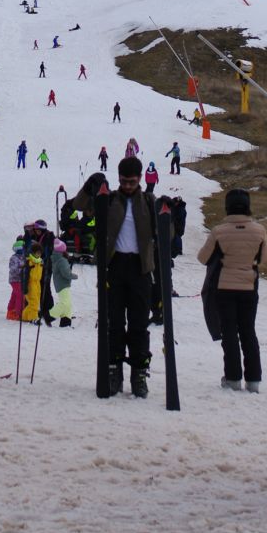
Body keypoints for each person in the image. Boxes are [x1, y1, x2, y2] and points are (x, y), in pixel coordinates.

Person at [197, 189, 267, 391]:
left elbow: (203, 258)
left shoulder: (219, 231)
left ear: (227, 207)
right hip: (249, 286)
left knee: (229, 332)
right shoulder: (259, 230)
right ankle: (253, 380)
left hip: (224, 287)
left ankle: (233, 378)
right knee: (248, 331)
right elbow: (263, 259)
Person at [102, 157, 157, 398]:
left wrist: (170, 213)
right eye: (123, 181)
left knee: (138, 324)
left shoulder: (148, 201)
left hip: (139, 268)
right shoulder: (110, 200)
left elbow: (167, 231)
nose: (127, 186)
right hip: (115, 266)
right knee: (114, 323)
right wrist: (91, 187)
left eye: (132, 182)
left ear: (140, 179)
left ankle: (139, 374)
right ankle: (114, 371)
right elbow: (79, 205)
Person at [51, 239, 75, 325]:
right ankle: (48, 315)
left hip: (60, 283)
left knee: (67, 303)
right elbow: (66, 273)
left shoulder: (58, 258)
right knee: (65, 303)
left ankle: (66, 322)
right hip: (63, 284)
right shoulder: (62, 260)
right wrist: (74, 276)